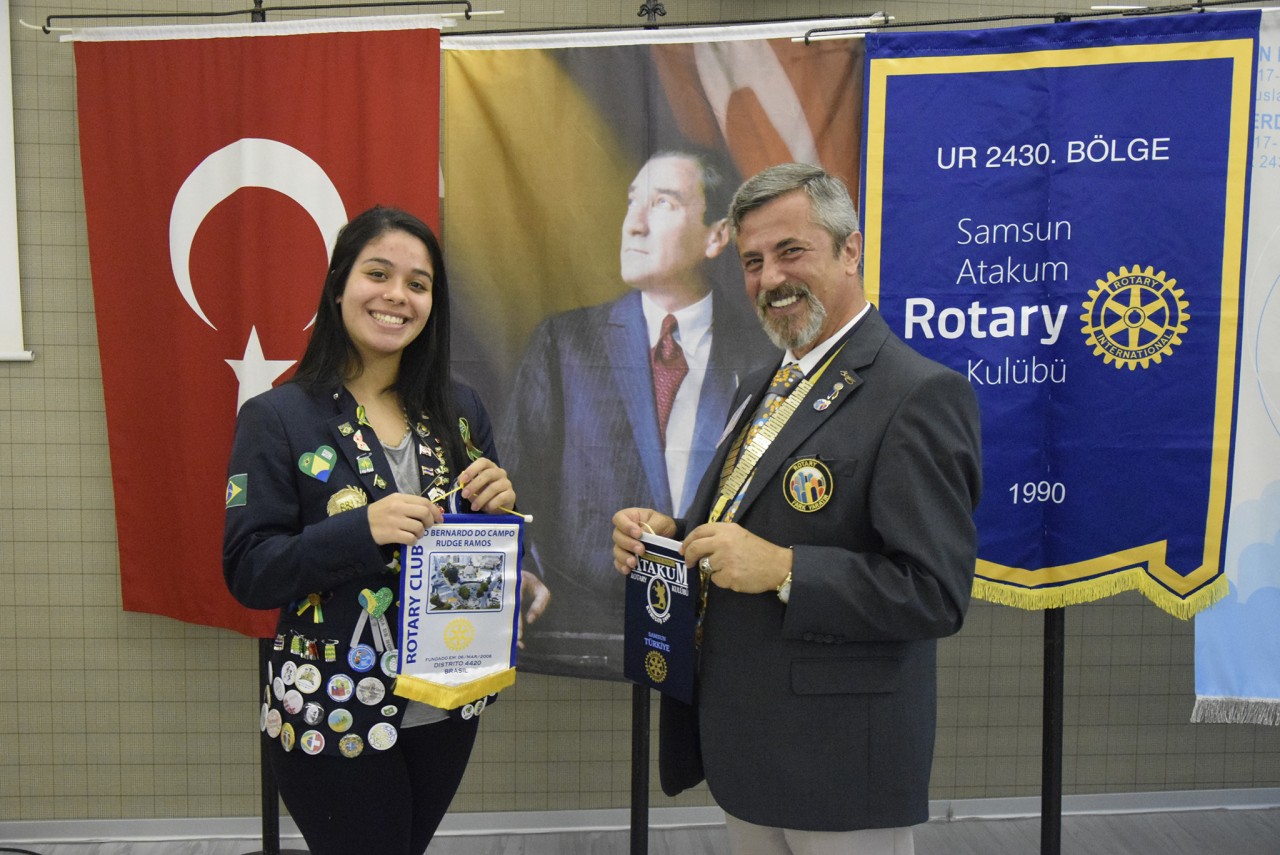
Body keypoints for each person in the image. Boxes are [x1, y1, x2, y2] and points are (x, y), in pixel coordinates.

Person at [611, 164, 983, 855]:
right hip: (750, 749)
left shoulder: (919, 394)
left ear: (850, 250)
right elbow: (747, 522)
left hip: (842, 767)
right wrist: (674, 535)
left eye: (791, 251)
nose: (769, 278)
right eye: (752, 261)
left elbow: (935, 593)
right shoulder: (766, 383)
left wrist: (785, 568)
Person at [223, 206, 549, 855]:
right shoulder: (277, 416)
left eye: (419, 283)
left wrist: (507, 536)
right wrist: (362, 531)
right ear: (339, 284)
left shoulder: (460, 410)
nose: (398, 295)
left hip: (446, 703)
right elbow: (249, 569)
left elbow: (472, 554)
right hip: (332, 707)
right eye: (379, 273)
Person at [502, 150, 778, 678]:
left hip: (722, 638)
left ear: (716, 236)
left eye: (664, 202)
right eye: (633, 202)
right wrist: (522, 572)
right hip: (582, 634)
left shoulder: (763, 354)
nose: (635, 223)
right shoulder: (565, 344)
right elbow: (516, 484)